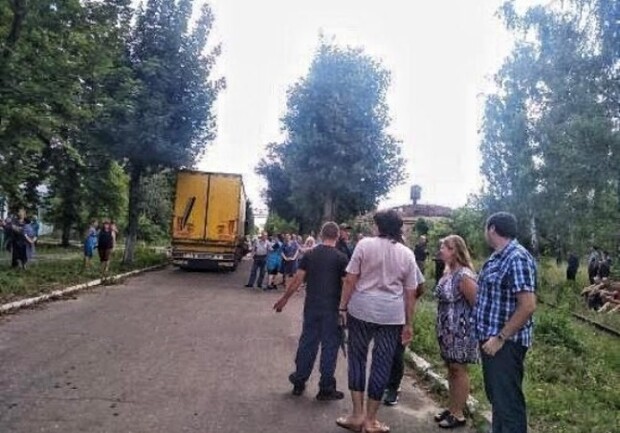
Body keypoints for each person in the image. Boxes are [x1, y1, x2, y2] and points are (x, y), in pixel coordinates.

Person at [336, 210, 422, 433]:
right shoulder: (407, 254)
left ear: (379, 226)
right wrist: (409, 323)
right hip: (391, 316)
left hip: (361, 310)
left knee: (357, 359)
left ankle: (357, 415)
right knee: (382, 363)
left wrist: (342, 307)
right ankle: (371, 421)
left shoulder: (364, 245)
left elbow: (350, 279)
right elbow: (410, 292)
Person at [474, 212, 537, 433]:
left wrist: (500, 338)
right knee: (498, 400)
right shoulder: (498, 257)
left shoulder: (516, 257)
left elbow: (527, 305)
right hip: (490, 341)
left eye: (485, 228)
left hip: (505, 344)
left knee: (508, 404)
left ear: (492, 228)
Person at [273, 222, 349, 400]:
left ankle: (299, 382)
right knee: (330, 347)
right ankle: (325, 388)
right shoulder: (341, 258)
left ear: (321, 235)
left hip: (312, 307)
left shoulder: (310, 255)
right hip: (332, 308)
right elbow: (346, 284)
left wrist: (284, 299)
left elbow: (297, 279)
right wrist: (345, 308)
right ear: (337, 236)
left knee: (307, 343)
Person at [433, 235, 479, 428]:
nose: (441, 250)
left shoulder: (464, 275)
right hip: (447, 329)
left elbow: (476, 304)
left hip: (461, 331)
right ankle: (452, 407)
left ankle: (458, 414)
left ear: (455, 251)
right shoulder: (448, 271)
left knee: (459, 369)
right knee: (451, 369)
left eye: (445, 247)